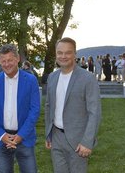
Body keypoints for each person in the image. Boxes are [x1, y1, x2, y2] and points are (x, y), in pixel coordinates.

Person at [45, 37, 101, 173]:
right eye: (60, 53)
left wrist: (87, 142)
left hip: (78, 140)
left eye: (68, 52)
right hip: (56, 137)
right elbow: (48, 106)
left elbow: (95, 112)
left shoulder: (88, 78)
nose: (63, 56)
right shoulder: (52, 77)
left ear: (75, 54)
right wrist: (48, 133)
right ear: (56, 54)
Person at [0, 44, 40, 173]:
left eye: (10, 60)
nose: (7, 64)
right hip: (1, 138)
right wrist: (1, 135)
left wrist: (21, 135)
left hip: (24, 137)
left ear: (18, 59)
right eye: (3, 61)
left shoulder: (31, 80)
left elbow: (34, 110)